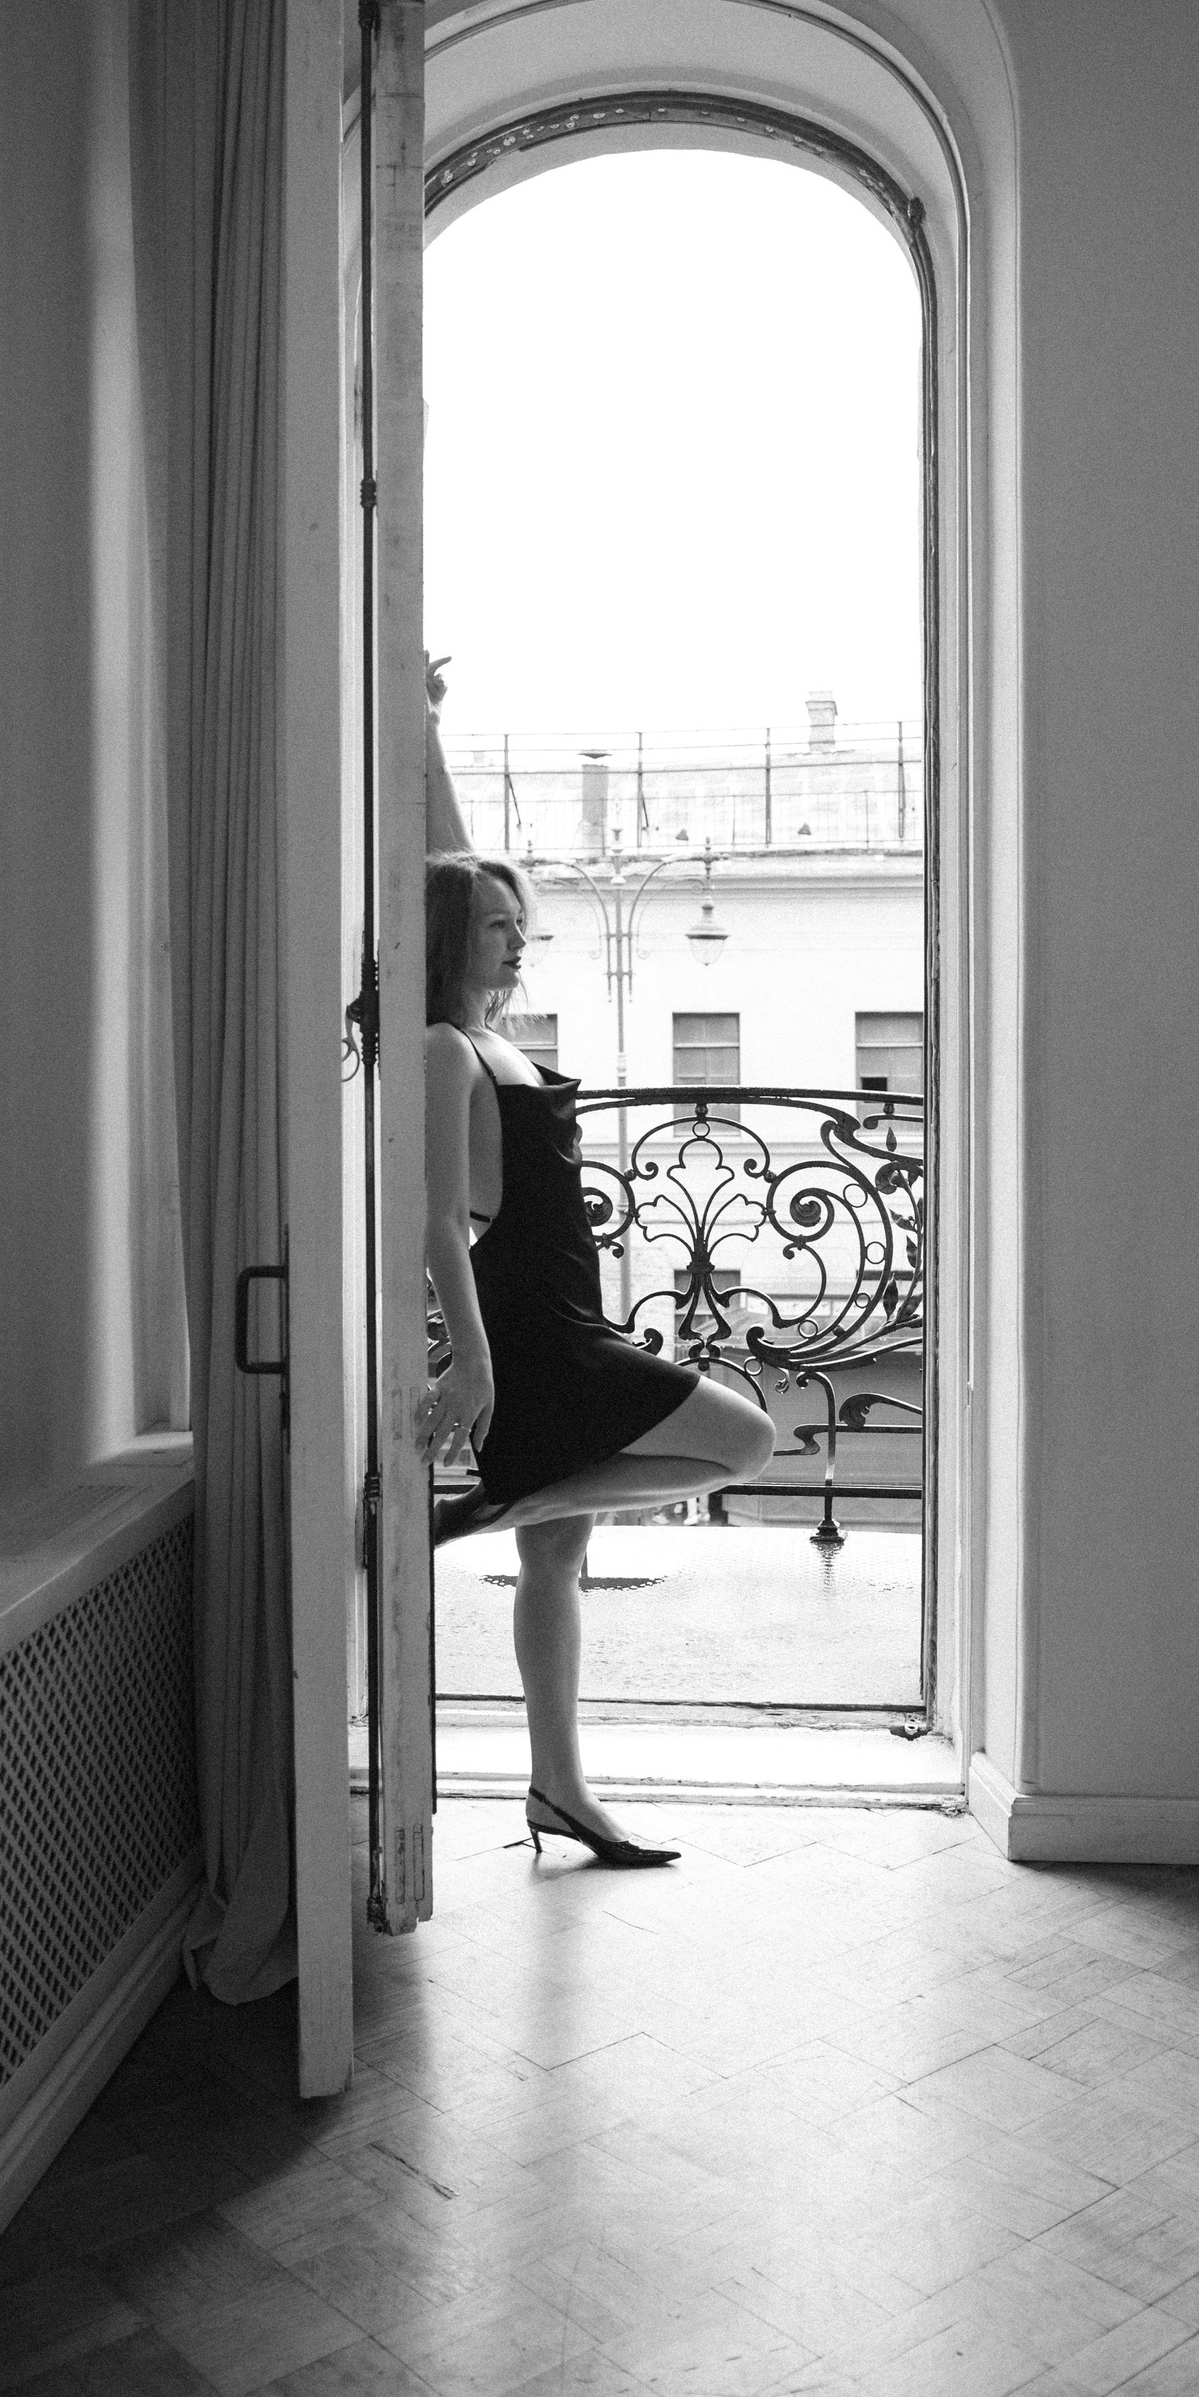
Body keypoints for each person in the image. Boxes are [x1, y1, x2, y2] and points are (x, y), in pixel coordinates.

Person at [417, 659, 774, 1868]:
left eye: (519, 924)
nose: (515, 939)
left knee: (558, 1564)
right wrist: (473, 1366)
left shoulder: (493, 1035)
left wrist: (424, 729)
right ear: (451, 940)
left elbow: (456, 866)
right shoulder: (445, 1048)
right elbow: (436, 1222)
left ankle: (558, 1791)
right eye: (495, 928)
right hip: (539, 1331)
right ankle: (509, 1496)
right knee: (747, 1440)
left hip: (570, 1310)